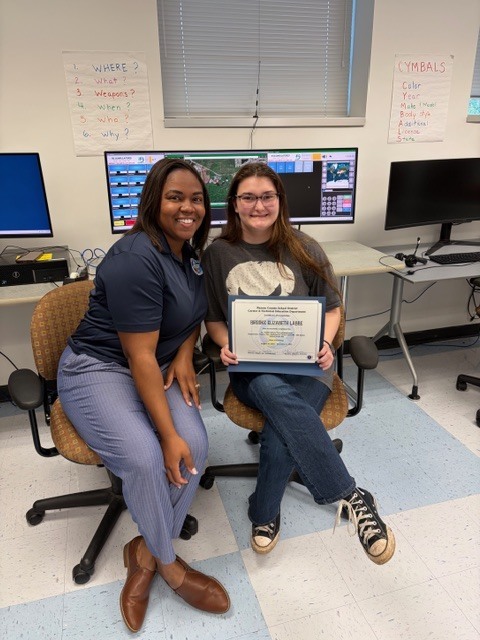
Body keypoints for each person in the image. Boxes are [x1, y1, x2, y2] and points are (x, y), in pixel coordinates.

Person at [57, 158, 230, 633]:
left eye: (196, 198)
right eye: (175, 197)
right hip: (98, 369)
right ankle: (169, 565)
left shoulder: (189, 252)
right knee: (145, 456)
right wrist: (166, 432)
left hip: (156, 362)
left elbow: (189, 312)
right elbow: (136, 358)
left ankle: (144, 550)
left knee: (195, 447)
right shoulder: (137, 257)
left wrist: (184, 351)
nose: (187, 207)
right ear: (152, 200)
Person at [202, 161, 395, 565]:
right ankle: (350, 493)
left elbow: (333, 307)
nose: (259, 205)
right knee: (273, 392)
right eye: (248, 197)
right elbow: (214, 319)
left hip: (309, 364)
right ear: (234, 205)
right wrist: (224, 345)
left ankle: (263, 513)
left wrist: (325, 341)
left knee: (279, 431)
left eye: (267, 196)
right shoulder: (217, 254)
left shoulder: (305, 247)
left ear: (280, 202)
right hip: (252, 367)